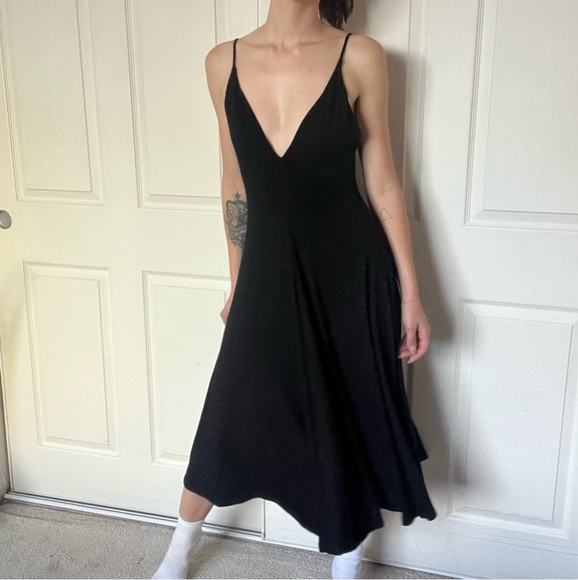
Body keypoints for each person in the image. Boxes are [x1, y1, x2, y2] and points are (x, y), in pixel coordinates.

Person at [153, 0, 437, 578]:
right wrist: (240, 282)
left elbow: (382, 180)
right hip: (267, 269)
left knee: (350, 407)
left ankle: (346, 559)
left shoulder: (360, 56)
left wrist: (411, 293)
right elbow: (235, 181)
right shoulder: (222, 62)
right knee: (230, 408)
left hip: (350, 271)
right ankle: (179, 550)